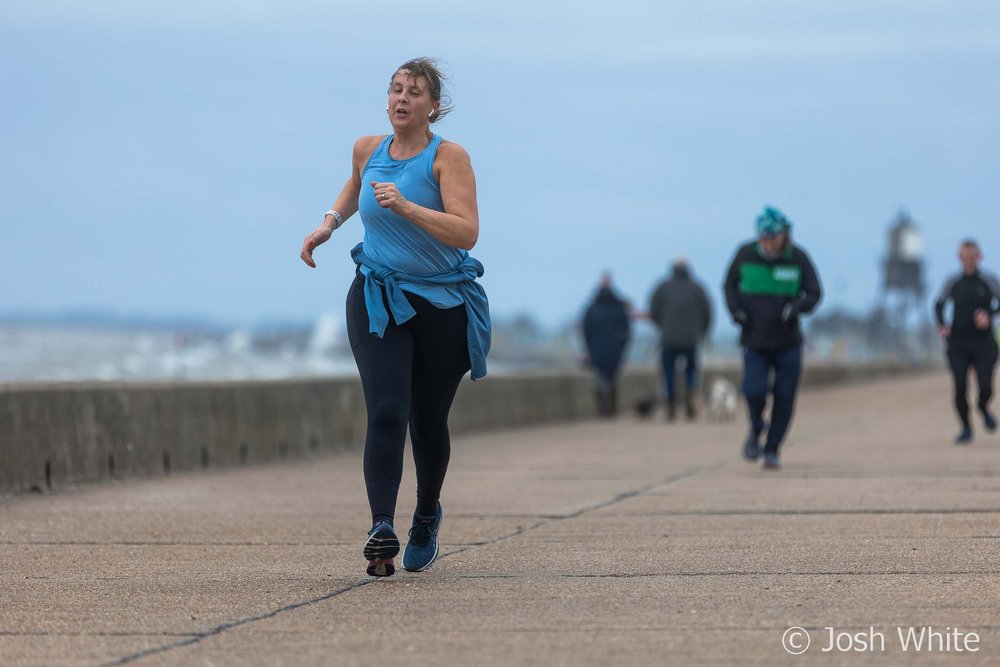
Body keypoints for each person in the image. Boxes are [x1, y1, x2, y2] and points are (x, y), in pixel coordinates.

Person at [299, 58, 490, 577]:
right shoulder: (368, 149)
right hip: (377, 295)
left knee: (427, 423)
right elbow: (356, 183)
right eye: (396, 89)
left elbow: (466, 232)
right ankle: (381, 527)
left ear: (433, 106)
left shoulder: (448, 158)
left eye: (415, 92)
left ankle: (426, 514)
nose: (402, 99)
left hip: (441, 307)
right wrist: (329, 225)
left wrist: (408, 208)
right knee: (386, 409)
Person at [723, 206, 822, 470]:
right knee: (753, 390)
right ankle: (756, 426)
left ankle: (772, 449)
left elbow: (814, 292)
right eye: (763, 237)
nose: (768, 242)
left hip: (787, 341)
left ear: (784, 235)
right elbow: (728, 286)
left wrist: (797, 308)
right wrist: (736, 312)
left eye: (773, 237)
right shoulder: (744, 254)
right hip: (754, 339)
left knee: (784, 395)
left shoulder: (797, 258)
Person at [933, 239, 1000, 444]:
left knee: (985, 385)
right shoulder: (953, 282)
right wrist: (942, 325)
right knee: (960, 385)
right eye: (965, 258)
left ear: (979, 257)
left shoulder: (988, 280)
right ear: (959, 258)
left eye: (972, 258)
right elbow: (938, 305)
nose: (969, 262)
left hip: (983, 342)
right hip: (959, 342)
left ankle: (983, 407)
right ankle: (965, 428)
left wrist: (989, 315)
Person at [649, 259, 713, 421]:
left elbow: (653, 310)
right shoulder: (697, 288)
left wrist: (662, 326)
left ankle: (670, 403)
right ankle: (691, 396)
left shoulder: (663, 287)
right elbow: (707, 312)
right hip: (691, 338)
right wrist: (702, 332)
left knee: (668, 372)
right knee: (691, 370)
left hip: (668, 338)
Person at [582, 273, 632, 417]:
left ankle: (602, 408)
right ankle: (611, 408)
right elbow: (626, 330)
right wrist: (621, 345)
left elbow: (586, 330)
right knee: (612, 378)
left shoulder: (592, 308)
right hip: (615, 349)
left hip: (597, 349)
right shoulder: (619, 307)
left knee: (601, 378)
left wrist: (590, 346)